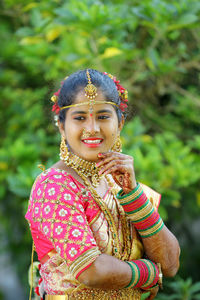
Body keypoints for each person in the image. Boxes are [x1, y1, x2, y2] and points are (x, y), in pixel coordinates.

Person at [25, 69, 180, 300]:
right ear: (61, 126)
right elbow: (91, 270)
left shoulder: (123, 184)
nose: (92, 129)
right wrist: (149, 272)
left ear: (120, 123)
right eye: (79, 118)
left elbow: (170, 264)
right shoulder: (54, 186)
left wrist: (134, 195)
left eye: (103, 116)